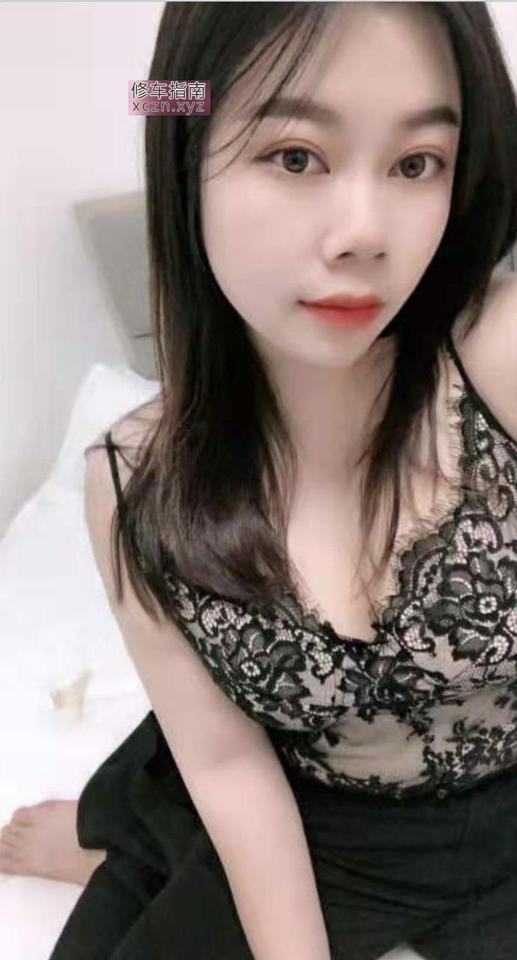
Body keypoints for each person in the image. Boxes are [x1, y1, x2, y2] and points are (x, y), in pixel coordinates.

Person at [2, 2, 517, 958]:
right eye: (295, 155)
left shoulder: (496, 351)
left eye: (416, 163)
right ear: (186, 161)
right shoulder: (132, 483)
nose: (363, 233)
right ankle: (129, 837)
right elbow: (231, 768)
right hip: (319, 821)